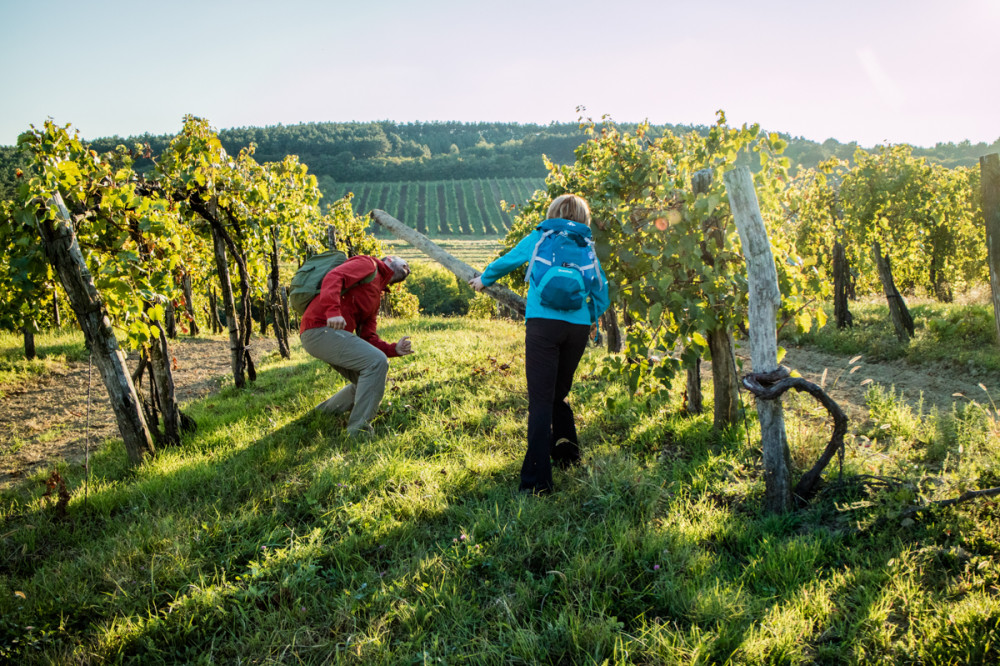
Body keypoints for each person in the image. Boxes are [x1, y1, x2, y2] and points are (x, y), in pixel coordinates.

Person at [470, 194, 609, 494]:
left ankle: (536, 482)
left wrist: (484, 278)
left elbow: (508, 261)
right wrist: (589, 318)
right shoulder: (586, 246)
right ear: (584, 217)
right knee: (559, 393)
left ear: (552, 212)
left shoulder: (540, 236)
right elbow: (601, 291)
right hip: (577, 328)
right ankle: (567, 455)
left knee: (541, 401)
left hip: (542, 326)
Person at [299, 254, 413, 436]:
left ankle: (322, 413)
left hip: (330, 334)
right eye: (405, 263)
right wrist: (332, 311)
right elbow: (334, 277)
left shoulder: (375, 296)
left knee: (368, 378)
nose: (408, 269)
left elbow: (367, 337)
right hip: (320, 328)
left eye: (408, 269)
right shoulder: (368, 264)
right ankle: (359, 431)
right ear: (390, 259)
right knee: (376, 362)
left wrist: (394, 349)